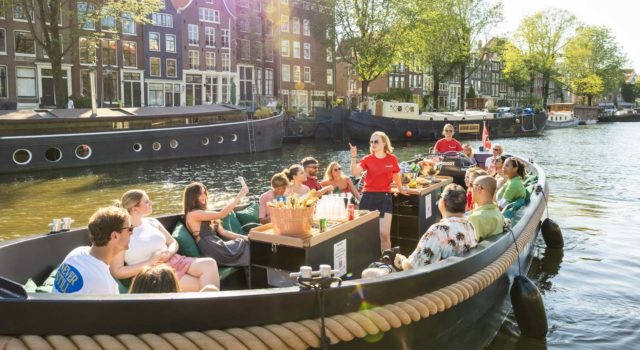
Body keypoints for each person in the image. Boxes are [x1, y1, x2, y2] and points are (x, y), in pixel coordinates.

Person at [110, 190, 220, 292]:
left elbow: (173, 243)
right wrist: (150, 261)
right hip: (154, 272)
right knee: (203, 286)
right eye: (146, 202)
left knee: (210, 263)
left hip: (174, 260)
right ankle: (209, 307)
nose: (151, 203)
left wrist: (170, 252)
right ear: (135, 209)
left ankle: (208, 306)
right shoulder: (122, 234)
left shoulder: (152, 222)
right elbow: (116, 271)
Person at [362, 184, 477, 277]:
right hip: (456, 278)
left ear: (442, 203)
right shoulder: (470, 224)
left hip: (430, 286)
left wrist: (402, 260)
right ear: (466, 205)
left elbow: (412, 267)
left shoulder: (438, 231)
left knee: (369, 271)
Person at [53, 207, 132, 295]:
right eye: (130, 229)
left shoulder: (76, 253)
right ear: (114, 236)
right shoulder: (106, 285)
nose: (131, 233)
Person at [350, 131, 407, 252]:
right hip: (367, 198)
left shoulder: (392, 159)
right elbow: (355, 173)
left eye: (376, 141)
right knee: (364, 235)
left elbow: (396, 175)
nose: (373, 144)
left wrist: (400, 188)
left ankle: (386, 261)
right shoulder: (367, 159)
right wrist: (353, 157)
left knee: (384, 234)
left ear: (384, 143)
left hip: (384, 198)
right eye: (371, 141)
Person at [183, 182, 251, 267]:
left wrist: (246, 237)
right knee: (249, 246)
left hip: (218, 246)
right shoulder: (193, 214)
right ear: (192, 197)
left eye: (205, 193)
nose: (204, 196)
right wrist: (240, 196)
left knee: (249, 243)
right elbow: (221, 214)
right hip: (212, 249)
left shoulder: (204, 213)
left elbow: (224, 232)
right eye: (200, 194)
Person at [468, 176, 504, 241]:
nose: (470, 189)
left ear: (479, 189)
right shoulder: (497, 211)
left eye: (471, 185)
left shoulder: (476, 218)